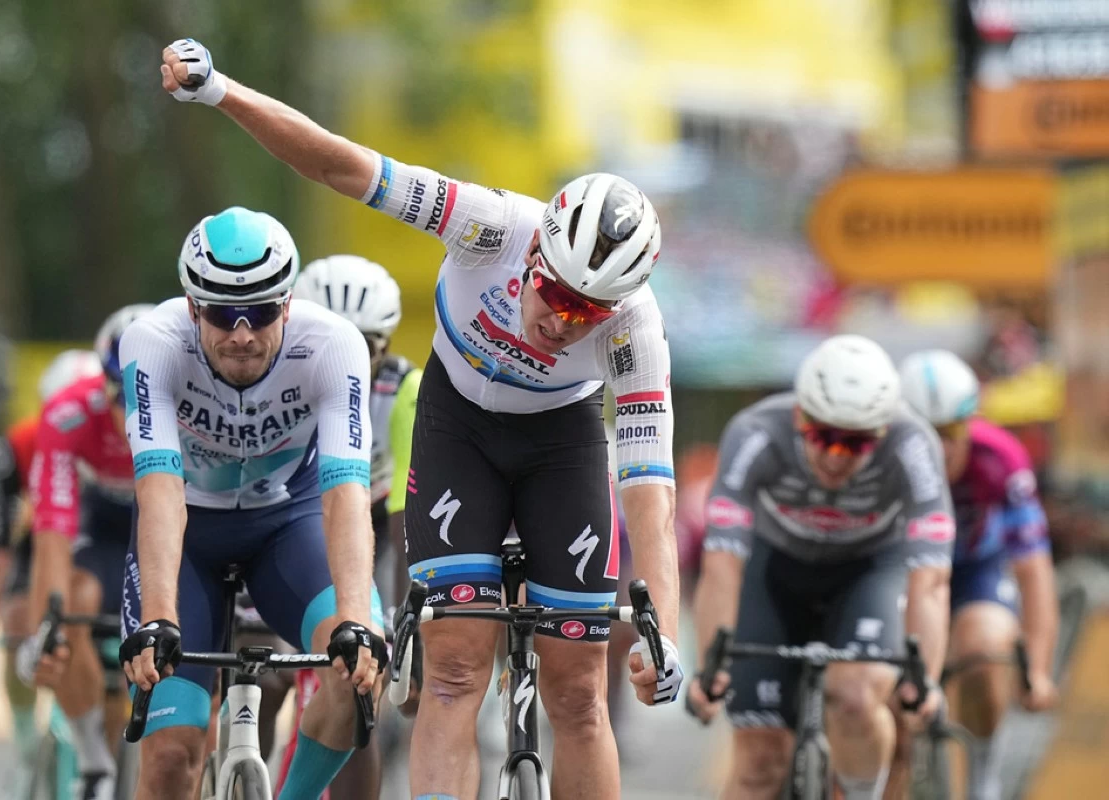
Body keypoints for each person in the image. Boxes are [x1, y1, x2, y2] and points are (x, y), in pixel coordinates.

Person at [158, 38, 681, 800]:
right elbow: (340, 165)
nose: (567, 324)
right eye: (558, 296)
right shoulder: (491, 225)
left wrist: (661, 626)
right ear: (537, 252)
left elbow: (648, 481)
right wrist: (220, 92)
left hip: (561, 444)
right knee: (455, 671)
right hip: (457, 426)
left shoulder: (635, 328)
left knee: (577, 694)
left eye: (589, 313)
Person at [115, 206, 385, 800]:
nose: (242, 333)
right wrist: (160, 615)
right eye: (220, 313)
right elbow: (158, 486)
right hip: (187, 535)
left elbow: (346, 491)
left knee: (361, 671)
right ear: (191, 307)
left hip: (288, 525)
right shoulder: (154, 343)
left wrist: (356, 620)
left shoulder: (333, 345)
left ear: (288, 303)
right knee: (169, 755)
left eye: (261, 313)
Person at [686, 335, 954, 800]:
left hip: (868, 570)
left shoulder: (914, 446)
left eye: (854, 443)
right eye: (823, 436)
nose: (835, 456)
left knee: (855, 697)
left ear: (882, 433)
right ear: (799, 417)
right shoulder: (755, 433)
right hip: (773, 572)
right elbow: (722, 564)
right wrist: (712, 666)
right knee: (758, 759)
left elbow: (929, 580)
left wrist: (923, 678)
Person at [274, 255, 419, 800]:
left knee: (362, 683)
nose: (346, 357)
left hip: (373, 517)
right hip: (289, 517)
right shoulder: (276, 374)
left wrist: (407, 623)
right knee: (262, 678)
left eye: (365, 345)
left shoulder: (405, 390)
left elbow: (409, 521)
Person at [894, 349, 1058, 800]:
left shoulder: (1000, 457)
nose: (939, 447)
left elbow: (1034, 569)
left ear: (969, 423)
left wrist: (1038, 670)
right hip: (904, 576)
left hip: (973, 574)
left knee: (986, 646)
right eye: (926, 433)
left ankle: (984, 777)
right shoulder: (885, 456)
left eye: (950, 432)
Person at [0, 349, 101, 790]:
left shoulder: (122, 437)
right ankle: (25, 745)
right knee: (19, 617)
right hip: (40, 547)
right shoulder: (17, 446)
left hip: (98, 549)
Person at [16, 309, 151, 800]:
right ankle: (95, 761)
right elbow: (52, 531)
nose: (129, 410)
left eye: (143, 394)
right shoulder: (68, 414)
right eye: (119, 393)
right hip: (103, 534)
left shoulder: (202, 409)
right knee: (69, 608)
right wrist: (43, 630)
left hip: (170, 527)